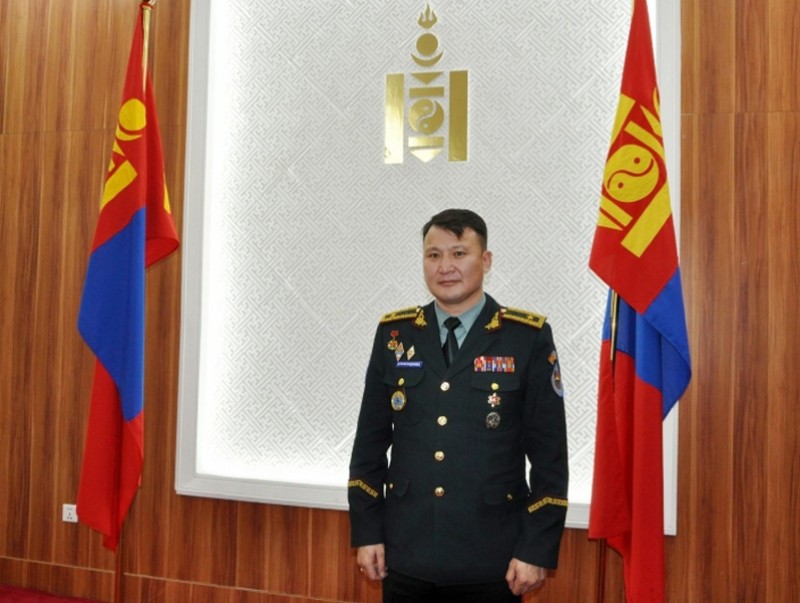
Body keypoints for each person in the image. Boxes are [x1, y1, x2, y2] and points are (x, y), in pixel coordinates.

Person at [348, 209, 569, 602]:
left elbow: (549, 456)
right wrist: (367, 532)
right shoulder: (395, 335)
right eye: (433, 255)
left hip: (493, 558)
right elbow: (369, 446)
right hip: (405, 553)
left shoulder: (525, 337)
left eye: (458, 253)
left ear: (486, 260)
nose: (445, 266)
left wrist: (535, 548)